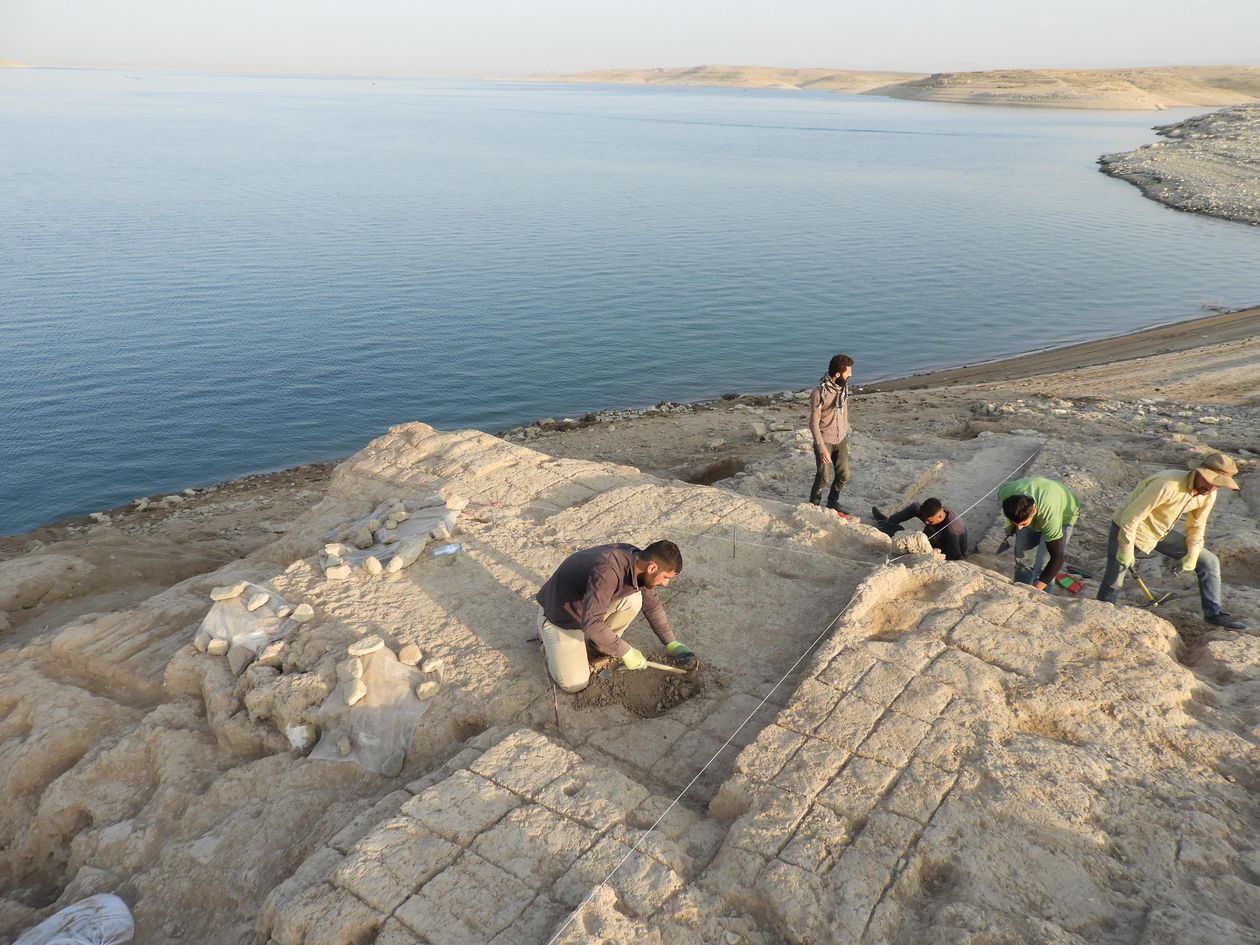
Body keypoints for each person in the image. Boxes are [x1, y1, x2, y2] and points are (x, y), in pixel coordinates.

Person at [1097, 452, 1247, 629]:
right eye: (1211, 481)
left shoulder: (1208, 494)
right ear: (1198, 473)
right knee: (1115, 578)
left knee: (1209, 561)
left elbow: (1197, 526)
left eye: (1218, 486)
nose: (1212, 488)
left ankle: (1213, 613)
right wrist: (1126, 548)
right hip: (1128, 528)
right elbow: (1131, 518)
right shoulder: (1167, 484)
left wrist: (1192, 555)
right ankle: (1102, 614)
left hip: (1161, 532)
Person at [535, 540, 694, 693]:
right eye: (666, 577)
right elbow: (591, 624)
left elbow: (652, 606)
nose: (666, 584)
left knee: (634, 599)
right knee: (575, 684)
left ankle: (598, 645)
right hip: (561, 618)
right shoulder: (608, 571)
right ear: (652, 567)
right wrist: (625, 651)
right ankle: (548, 643)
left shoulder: (637, 562)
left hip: (588, 611)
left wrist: (672, 643)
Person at [998, 476, 1080, 591]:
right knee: (1023, 560)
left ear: (1034, 511)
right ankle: (1019, 589)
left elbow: (1057, 558)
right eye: (1016, 524)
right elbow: (1017, 520)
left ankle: (1042, 597)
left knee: (1043, 565)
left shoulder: (1050, 518)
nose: (1019, 529)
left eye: (1023, 524)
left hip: (1063, 515)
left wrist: (1035, 592)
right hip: (1040, 496)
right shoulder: (1006, 492)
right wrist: (1010, 525)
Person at [809, 353, 854, 512]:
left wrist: (845, 429)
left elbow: (844, 411)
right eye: (848, 372)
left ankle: (833, 501)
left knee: (844, 475)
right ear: (837, 374)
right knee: (824, 478)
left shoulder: (844, 387)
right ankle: (813, 505)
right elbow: (813, 423)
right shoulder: (819, 392)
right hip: (825, 440)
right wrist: (821, 448)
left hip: (841, 439)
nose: (851, 375)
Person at [871, 498, 968, 560]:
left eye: (929, 521)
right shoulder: (940, 511)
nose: (926, 522)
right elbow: (918, 510)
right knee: (915, 507)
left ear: (940, 516)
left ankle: (890, 529)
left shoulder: (952, 531)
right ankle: (888, 522)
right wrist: (929, 521)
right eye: (925, 520)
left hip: (948, 547)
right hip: (939, 530)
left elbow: (955, 556)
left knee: (911, 538)